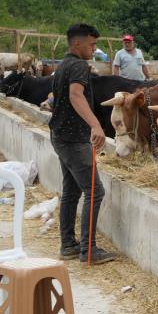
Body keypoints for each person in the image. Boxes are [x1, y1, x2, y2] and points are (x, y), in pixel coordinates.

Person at [49, 23, 117, 265]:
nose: (94, 48)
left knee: (71, 191)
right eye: (91, 44)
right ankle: (89, 250)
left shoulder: (63, 64)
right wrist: (96, 125)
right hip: (74, 139)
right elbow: (76, 95)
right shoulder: (78, 66)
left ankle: (68, 244)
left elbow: (60, 97)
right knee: (95, 191)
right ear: (77, 43)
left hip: (59, 136)